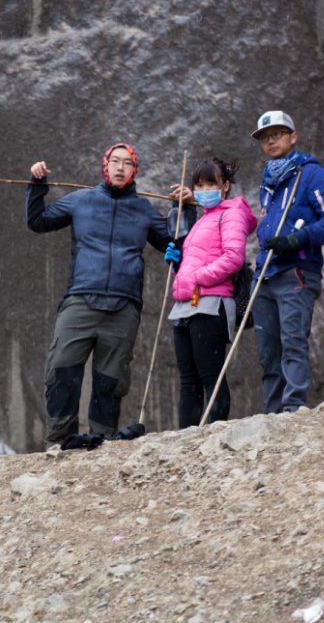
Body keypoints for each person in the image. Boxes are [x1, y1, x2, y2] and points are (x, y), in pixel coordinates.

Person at [26, 143, 197, 444]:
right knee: (62, 366)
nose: (120, 167)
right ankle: (61, 439)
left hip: (124, 305)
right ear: (105, 165)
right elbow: (38, 222)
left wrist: (185, 208)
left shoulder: (144, 210)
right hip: (80, 297)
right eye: (115, 161)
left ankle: (101, 438)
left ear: (135, 170)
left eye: (127, 163)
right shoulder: (81, 200)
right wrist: (38, 184)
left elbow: (179, 246)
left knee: (111, 378)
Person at [250, 111, 324, 413]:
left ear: (293, 136)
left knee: (292, 342)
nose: (271, 140)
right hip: (265, 273)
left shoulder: (311, 173)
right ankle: (273, 412)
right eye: (265, 137)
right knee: (268, 351)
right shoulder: (268, 182)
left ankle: (292, 410)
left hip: (296, 271)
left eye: (277, 134)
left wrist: (298, 238)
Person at [167, 158, 257, 428]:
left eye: (211, 184)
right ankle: (186, 438)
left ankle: (215, 434)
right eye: (199, 185)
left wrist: (195, 277)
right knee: (187, 379)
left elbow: (233, 258)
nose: (204, 189)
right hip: (185, 304)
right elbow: (197, 261)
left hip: (212, 303)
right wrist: (178, 266)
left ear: (225, 186)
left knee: (211, 376)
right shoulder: (202, 220)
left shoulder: (232, 214)